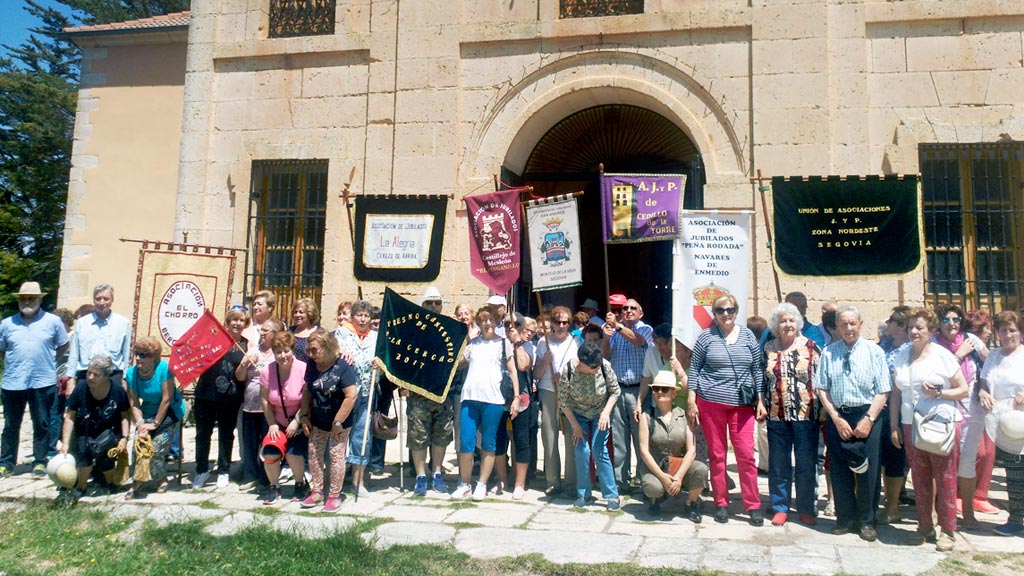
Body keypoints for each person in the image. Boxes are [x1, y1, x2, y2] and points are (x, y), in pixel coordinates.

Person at [891, 307, 967, 551]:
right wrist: (894, 425)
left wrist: (940, 393)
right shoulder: (902, 357)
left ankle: (948, 530)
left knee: (945, 478)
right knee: (920, 478)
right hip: (910, 423)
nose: (914, 331)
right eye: (911, 326)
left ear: (931, 331)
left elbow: (963, 389)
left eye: (919, 327)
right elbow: (895, 394)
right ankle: (924, 526)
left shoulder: (942, 356)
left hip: (939, 424)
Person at [689, 292, 764, 525]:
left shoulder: (748, 336)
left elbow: (758, 370)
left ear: (736, 311)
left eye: (730, 309)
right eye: (720, 310)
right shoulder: (705, 338)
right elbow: (694, 369)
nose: (726, 314)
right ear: (714, 313)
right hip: (711, 402)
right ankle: (721, 502)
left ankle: (752, 504)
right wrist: (691, 399)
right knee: (717, 455)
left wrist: (760, 399)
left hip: (742, 406)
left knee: (745, 455)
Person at [816, 305, 890, 542]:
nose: (848, 328)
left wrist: (869, 419)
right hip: (839, 416)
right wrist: (835, 417)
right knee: (838, 468)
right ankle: (845, 519)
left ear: (860, 324)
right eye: (843, 324)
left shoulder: (874, 351)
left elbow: (883, 390)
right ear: (837, 327)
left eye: (852, 323)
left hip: (867, 414)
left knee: (868, 470)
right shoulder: (829, 353)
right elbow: (821, 388)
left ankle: (867, 520)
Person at [452, 306, 529, 500]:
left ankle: (482, 483)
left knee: (488, 443)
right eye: (483, 320)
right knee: (466, 442)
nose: (487, 323)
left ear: (496, 322)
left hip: (493, 399)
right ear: (478, 322)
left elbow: (513, 371)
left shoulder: (504, 344)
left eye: (490, 320)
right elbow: (459, 363)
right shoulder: (473, 344)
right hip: (470, 397)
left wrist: (517, 398)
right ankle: (464, 483)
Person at [0, 282, 69, 478]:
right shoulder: (6, 324)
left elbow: (63, 346)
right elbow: (1, 350)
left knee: (42, 423)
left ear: (40, 299)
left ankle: (39, 461)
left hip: (43, 380)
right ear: (19, 300)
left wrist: (47, 360)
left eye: (31, 298)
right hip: (14, 382)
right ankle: (6, 463)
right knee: (11, 425)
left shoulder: (53, 322)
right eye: (24, 298)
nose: (27, 301)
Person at [931, 304, 990, 530]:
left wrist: (985, 387)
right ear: (939, 323)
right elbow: (937, 373)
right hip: (942, 407)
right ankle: (939, 512)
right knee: (941, 461)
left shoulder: (973, 340)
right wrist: (958, 354)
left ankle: (968, 513)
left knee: (966, 464)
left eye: (956, 319)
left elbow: (992, 365)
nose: (952, 324)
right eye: (946, 320)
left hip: (971, 409)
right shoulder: (933, 344)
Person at [763, 302, 821, 527]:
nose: (787, 324)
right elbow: (761, 377)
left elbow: (821, 378)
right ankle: (780, 506)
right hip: (776, 413)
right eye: (782, 321)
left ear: (798, 323)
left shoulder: (811, 346)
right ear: (776, 325)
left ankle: (806, 507)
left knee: (806, 463)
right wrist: (760, 402)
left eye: (791, 320)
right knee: (778, 463)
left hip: (806, 415)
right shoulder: (768, 348)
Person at [299, 328, 358, 511]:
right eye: (309, 350)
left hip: (339, 421)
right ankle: (317, 491)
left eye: (314, 350)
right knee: (314, 453)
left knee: (335, 455)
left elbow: (351, 395)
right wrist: (303, 416)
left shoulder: (343, 366)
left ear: (327, 347)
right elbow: (307, 390)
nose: (311, 354)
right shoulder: (312, 364)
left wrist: (339, 421)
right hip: (318, 418)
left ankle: (334, 495)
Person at [638, 370, 707, 522]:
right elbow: (644, 452)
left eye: (664, 389)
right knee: (653, 487)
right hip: (656, 465)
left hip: (677, 464)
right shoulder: (646, 417)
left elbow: (691, 450)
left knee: (701, 470)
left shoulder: (683, 416)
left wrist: (679, 476)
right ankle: (656, 500)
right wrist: (662, 477)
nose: (659, 392)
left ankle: (691, 503)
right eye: (656, 389)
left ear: (673, 394)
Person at [559, 342, 622, 510]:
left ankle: (612, 495)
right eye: (592, 367)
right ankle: (584, 494)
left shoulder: (604, 366)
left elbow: (615, 391)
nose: (595, 369)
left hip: (600, 413)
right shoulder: (569, 370)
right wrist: (575, 426)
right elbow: (563, 401)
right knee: (581, 451)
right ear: (581, 363)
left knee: (599, 449)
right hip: (577, 415)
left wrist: (606, 412)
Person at [978, 311, 1024, 536]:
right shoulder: (994, 357)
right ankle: (1016, 519)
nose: (1008, 335)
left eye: (1012, 330)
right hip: (1007, 425)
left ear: (1020, 332)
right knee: (1014, 472)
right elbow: (985, 382)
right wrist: (983, 392)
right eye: (1004, 330)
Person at [600, 297, 654, 489]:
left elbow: (639, 341)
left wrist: (617, 327)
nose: (628, 311)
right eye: (625, 308)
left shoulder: (646, 329)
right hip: (617, 390)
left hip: (639, 390)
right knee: (619, 439)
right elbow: (605, 355)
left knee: (641, 438)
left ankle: (644, 478)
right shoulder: (614, 331)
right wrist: (606, 337)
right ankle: (621, 479)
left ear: (641, 313)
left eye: (633, 308)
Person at [59, 355, 130, 500]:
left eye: (95, 375)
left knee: (105, 457)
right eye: (88, 373)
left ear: (106, 376)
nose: (90, 377)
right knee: (84, 450)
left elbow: (125, 416)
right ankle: (81, 486)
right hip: (85, 428)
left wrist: (125, 438)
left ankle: (110, 482)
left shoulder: (117, 390)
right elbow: (70, 416)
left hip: (110, 430)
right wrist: (65, 443)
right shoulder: (81, 388)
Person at [191, 307, 246, 489]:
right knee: (202, 435)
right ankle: (201, 470)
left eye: (241, 321)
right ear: (227, 322)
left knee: (226, 435)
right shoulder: (212, 340)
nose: (237, 323)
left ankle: (223, 470)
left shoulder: (246, 345)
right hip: (206, 394)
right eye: (234, 320)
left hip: (230, 397)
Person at [409, 288, 457, 497]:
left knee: (441, 435)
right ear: (423, 306)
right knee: (418, 436)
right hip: (419, 392)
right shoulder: (414, 328)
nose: (433, 307)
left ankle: (437, 472)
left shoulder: (449, 329)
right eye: (429, 303)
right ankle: (421, 475)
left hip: (442, 392)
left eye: (437, 303)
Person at [125, 336, 185, 499]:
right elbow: (134, 402)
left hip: (170, 412)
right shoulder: (131, 374)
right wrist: (140, 424)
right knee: (138, 446)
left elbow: (166, 398)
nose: (138, 357)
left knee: (156, 449)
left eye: (143, 355)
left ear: (154, 357)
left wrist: (156, 423)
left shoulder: (164, 370)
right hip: (147, 412)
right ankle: (137, 482)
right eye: (137, 353)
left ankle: (160, 479)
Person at [533, 305, 579, 495]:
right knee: (549, 434)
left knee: (571, 435)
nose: (561, 326)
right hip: (547, 390)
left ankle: (570, 482)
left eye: (565, 322)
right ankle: (552, 480)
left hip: (569, 393)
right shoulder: (543, 343)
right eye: (558, 322)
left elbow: (579, 369)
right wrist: (545, 363)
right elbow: (536, 373)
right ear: (551, 323)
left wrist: (564, 375)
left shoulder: (576, 342)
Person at [260, 331, 309, 504]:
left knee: (293, 453)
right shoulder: (267, 371)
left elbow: (306, 399)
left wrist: (297, 421)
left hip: (299, 419)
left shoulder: (303, 368)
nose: (283, 355)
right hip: (277, 421)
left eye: (286, 350)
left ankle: (299, 484)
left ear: (293, 350)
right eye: (278, 352)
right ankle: (274, 487)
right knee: (270, 451)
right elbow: (264, 398)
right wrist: (272, 424)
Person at [334, 300, 378, 496]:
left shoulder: (376, 337)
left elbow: (383, 363)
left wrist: (380, 364)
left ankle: (358, 482)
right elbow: (332, 353)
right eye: (359, 315)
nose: (362, 319)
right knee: (339, 434)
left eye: (366, 316)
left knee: (362, 436)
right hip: (344, 394)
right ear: (353, 316)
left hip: (367, 392)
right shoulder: (341, 333)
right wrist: (340, 353)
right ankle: (336, 478)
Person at [236, 318, 283, 492]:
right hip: (250, 404)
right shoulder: (252, 350)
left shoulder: (278, 354)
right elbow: (240, 377)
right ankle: (250, 476)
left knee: (267, 443)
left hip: (270, 407)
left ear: (275, 334)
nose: (262, 333)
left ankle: (266, 478)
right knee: (249, 443)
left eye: (266, 331)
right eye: (261, 330)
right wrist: (244, 363)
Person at [962, 309, 998, 515]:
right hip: (971, 407)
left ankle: (979, 495)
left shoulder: (983, 349)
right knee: (978, 452)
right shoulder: (971, 342)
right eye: (985, 327)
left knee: (987, 452)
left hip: (987, 405)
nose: (989, 332)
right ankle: (967, 495)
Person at [878, 306, 911, 524]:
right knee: (890, 457)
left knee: (899, 457)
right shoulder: (885, 345)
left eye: (891, 320)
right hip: (883, 407)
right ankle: (892, 504)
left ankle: (894, 506)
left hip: (903, 408)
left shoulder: (909, 350)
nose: (886, 323)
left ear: (899, 325)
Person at [66, 283, 131, 390]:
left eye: (106, 299)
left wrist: (124, 379)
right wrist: (70, 379)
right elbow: (74, 353)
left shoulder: (123, 323)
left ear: (112, 300)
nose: (102, 302)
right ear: (93, 300)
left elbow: (126, 354)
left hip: (113, 375)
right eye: (98, 299)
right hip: (86, 374)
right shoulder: (82, 323)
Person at [290, 297, 320, 364]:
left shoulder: (319, 333)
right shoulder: (289, 331)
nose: (297, 315)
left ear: (310, 313)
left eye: (301, 312)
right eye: (295, 312)